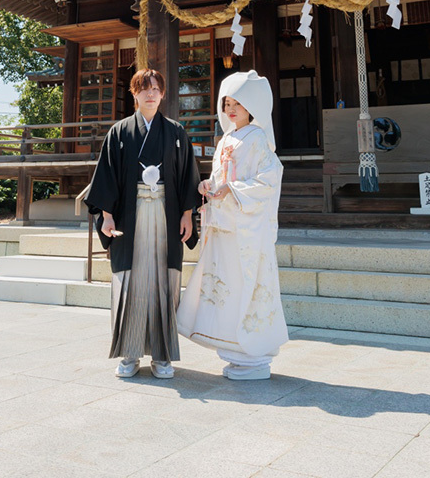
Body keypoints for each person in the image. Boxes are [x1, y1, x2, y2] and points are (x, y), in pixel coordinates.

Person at [85, 68, 200, 379]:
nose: (150, 94)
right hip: (129, 214)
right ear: (134, 93)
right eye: (144, 88)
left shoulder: (176, 132)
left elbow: (187, 175)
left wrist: (187, 214)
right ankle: (130, 352)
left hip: (166, 211)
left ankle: (162, 355)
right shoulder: (120, 132)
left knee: (165, 280)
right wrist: (107, 215)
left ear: (163, 94)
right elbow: (107, 176)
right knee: (131, 280)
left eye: (156, 89)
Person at [177, 69, 288, 380]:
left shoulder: (258, 138)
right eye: (227, 103)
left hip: (246, 228)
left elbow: (269, 178)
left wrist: (233, 189)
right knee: (227, 285)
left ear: (251, 106)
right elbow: (220, 177)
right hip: (225, 226)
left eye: (237, 103)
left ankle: (254, 357)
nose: (231, 108)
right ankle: (234, 352)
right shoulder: (226, 138)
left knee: (246, 285)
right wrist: (207, 185)